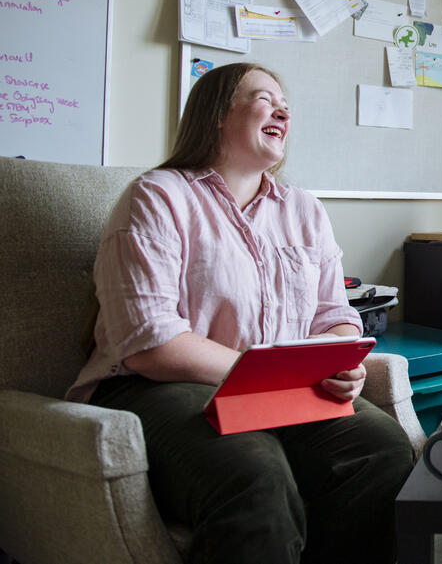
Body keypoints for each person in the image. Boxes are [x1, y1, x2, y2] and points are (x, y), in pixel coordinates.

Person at [66, 63, 415, 564]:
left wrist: (340, 359)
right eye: (262, 97)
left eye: (284, 102)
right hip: (156, 388)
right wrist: (261, 372)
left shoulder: (303, 209)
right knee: (254, 472)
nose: (283, 108)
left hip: (280, 386)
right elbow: (151, 343)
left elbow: (333, 312)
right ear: (216, 115)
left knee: (380, 447)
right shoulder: (159, 197)